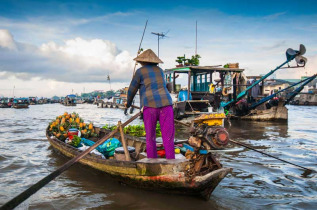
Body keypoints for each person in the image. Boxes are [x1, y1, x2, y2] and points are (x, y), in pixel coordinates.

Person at [125, 49, 175, 159]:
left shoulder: (139, 72)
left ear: (142, 62)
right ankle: (171, 162)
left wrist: (128, 104)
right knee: (168, 137)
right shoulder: (160, 71)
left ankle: (152, 161)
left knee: (150, 137)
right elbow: (166, 86)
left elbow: (131, 90)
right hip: (167, 104)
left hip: (150, 106)